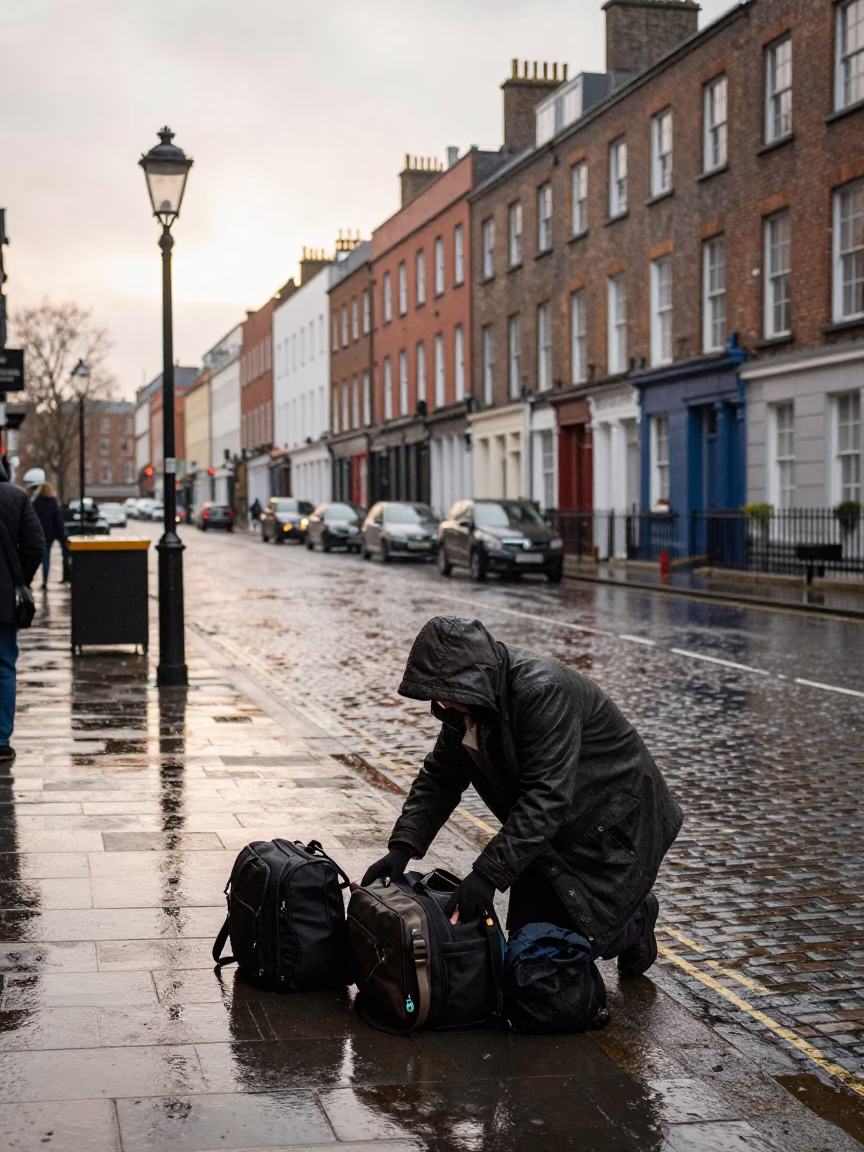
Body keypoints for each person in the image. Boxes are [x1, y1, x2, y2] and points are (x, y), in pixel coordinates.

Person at [362, 616, 683, 976]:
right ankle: (621, 915)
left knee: (567, 948)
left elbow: (546, 797)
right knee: (529, 950)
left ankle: (636, 918)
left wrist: (485, 877)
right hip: (554, 829)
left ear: (472, 679)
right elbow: (441, 777)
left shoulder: (541, 691)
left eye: (446, 692)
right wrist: (402, 848)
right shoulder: (469, 705)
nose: (441, 704)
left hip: (614, 820)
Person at [0, 458, 45, 762]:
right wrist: (20, 581)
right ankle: (1, 739)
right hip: (2, 599)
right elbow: (36, 545)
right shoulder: (15, 496)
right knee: (4, 665)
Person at [29, 479, 66, 590]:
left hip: (38, 534)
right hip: (49, 535)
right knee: (46, 557)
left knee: (34, 557)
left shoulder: (36, 502)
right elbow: (57, 520)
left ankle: (30, 579)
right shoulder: (53, 502)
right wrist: (61, 536)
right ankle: (45, 581)